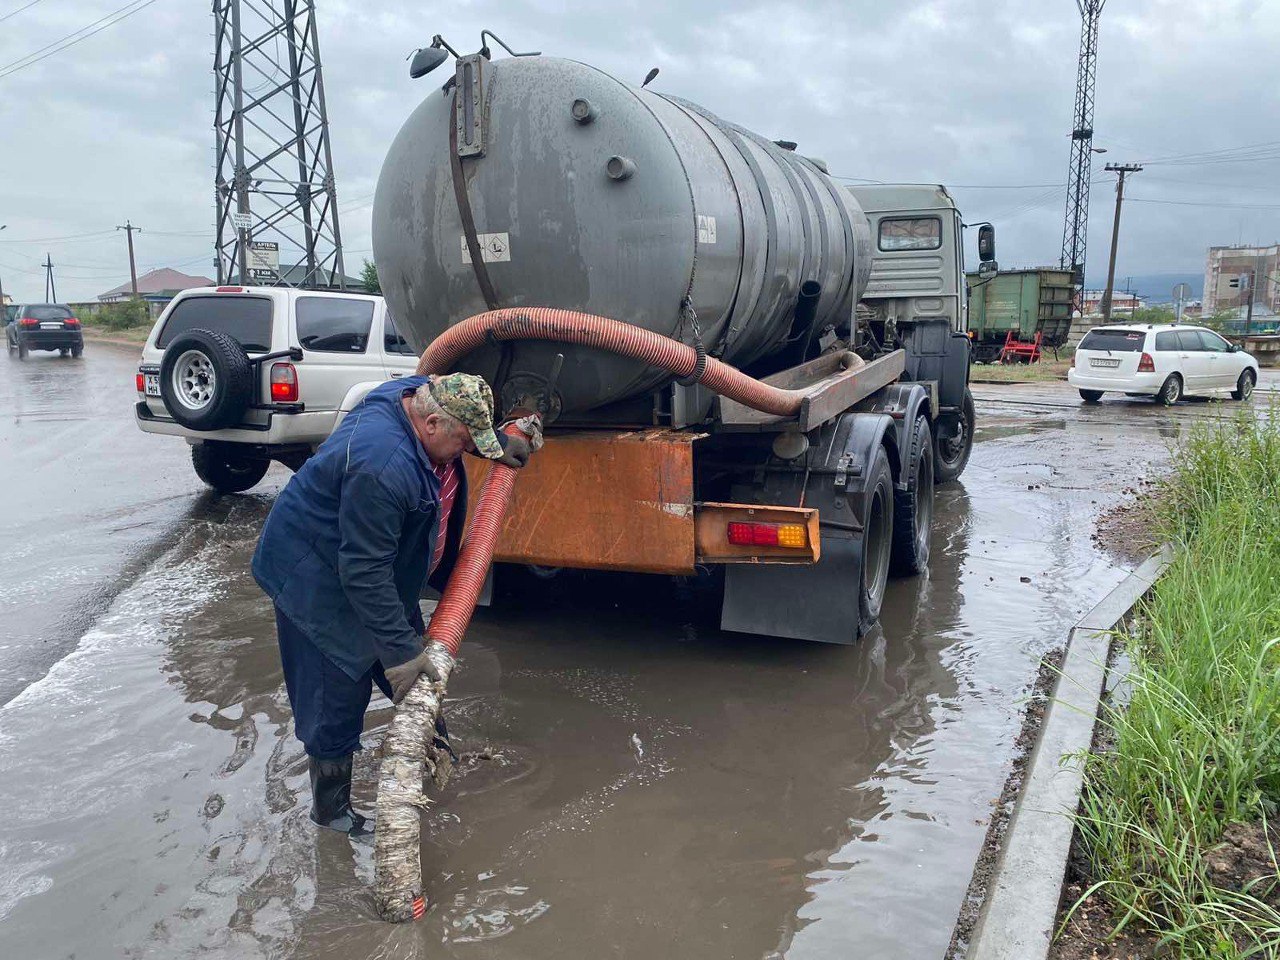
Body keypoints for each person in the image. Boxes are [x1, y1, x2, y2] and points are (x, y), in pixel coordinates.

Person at [251, 372, 535, 835]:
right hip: (317, 584)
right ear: (430, 425)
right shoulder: (382, 467)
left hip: (377, 569)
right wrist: (401, 654)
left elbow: (374, 571)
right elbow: (362, 573)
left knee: (415, 676)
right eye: (465, 441)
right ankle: (333, 814)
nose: (468, 449)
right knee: (338, 690)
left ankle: (437, 758)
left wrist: (497, 443)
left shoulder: (415, 395)